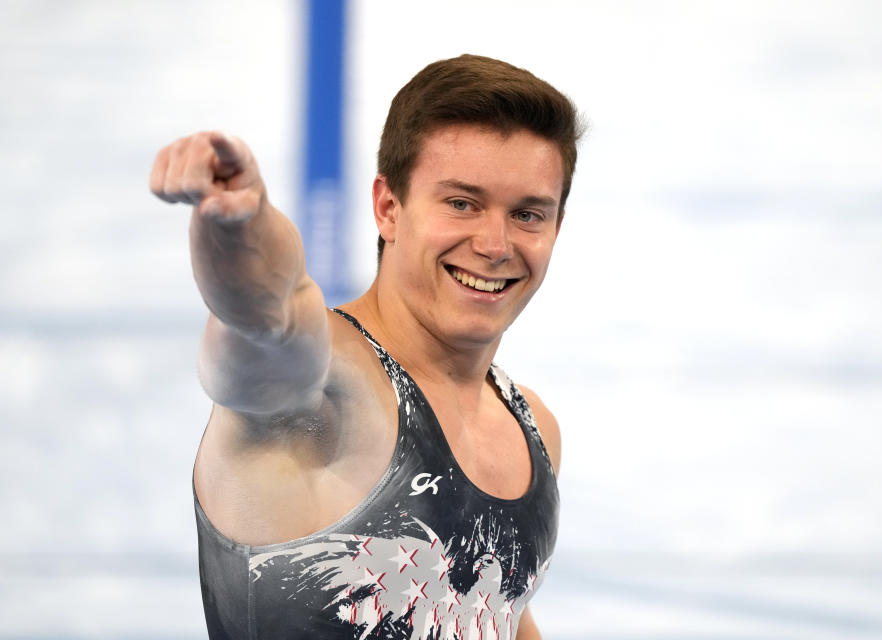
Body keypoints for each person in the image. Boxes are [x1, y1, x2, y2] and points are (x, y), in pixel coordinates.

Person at [150, 54, 581, 640]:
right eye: (462, 203)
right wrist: (240, 223)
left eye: (528, 214)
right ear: (388, 208)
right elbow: (266, 318)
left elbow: (495, 615)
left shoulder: (532, 432)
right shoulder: (324, 392)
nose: (495, 243)